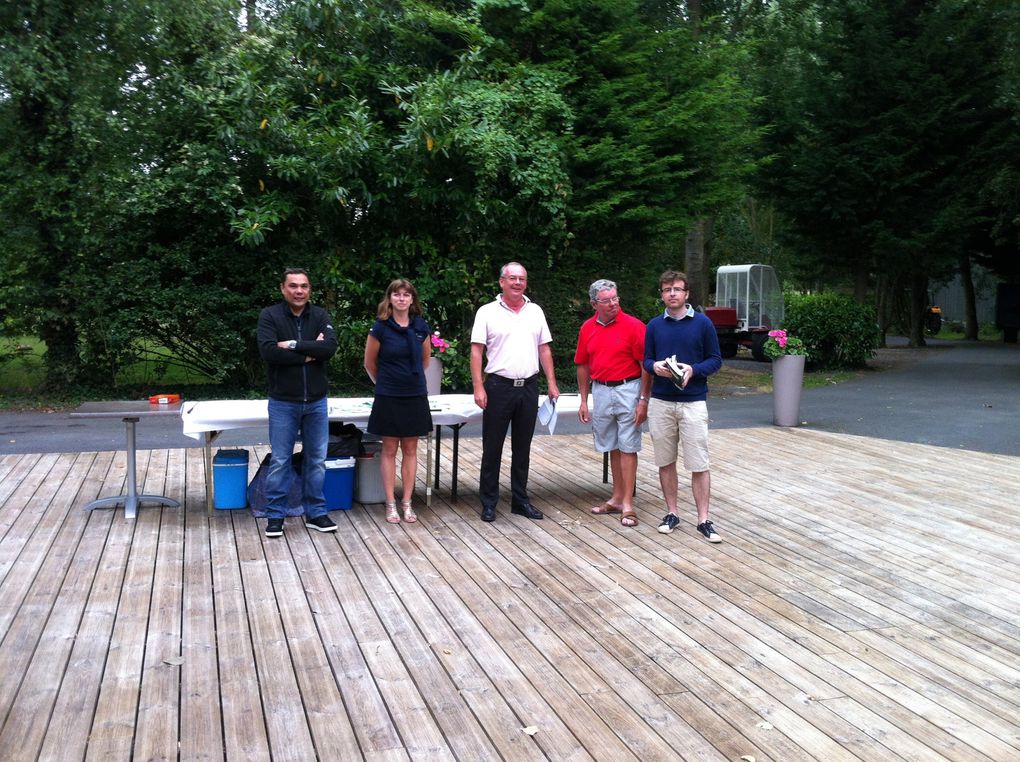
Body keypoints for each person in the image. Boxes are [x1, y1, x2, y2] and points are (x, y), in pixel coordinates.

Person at [471, 262, 560, 522]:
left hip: (529, 387)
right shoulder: (487, 312)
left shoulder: (535, 311)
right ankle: (489, 502)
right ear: (501, 282)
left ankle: (520, 501)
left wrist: (552, 383)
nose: (517, 283)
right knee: (492, 448)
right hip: (498, 387)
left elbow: (544, 348)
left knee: (523, 448)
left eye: (521, 278)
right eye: (512, 278)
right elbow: (477, 350)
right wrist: (478, 386)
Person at [257, 267, 339, 538]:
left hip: (316, 401)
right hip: (283, 402)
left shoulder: (320, 315)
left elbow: (328, 348)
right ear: (283, 288)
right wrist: (308, 350)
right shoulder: (270, 315)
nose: (299, 291)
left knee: (316, 460)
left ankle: (316, 512)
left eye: (304, 286)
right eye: (293, 286)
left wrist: (291, 345)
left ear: (309, 289)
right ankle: (275, 515)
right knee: (281, 459)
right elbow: (269, 352)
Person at [642, 270, 723, 542]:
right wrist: (655, 367)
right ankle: (672, 513)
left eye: (677, 289)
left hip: (693, 403)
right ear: (662, 294)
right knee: (665, 462)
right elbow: (646, 360)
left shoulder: (702, 324)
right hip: (661, 402)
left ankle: (704, 519)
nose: (672, 294)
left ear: (687, 293)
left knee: (699, 463)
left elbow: (715, 360)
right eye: (667, 290)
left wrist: (693, 369)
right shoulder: (654, 325)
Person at [574, 279, 647, 527]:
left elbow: (645, 366)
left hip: (629, 387)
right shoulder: (587, 328)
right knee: (613, 445)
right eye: (607, 300)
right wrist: (583, 400)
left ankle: (628, 503)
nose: (613, 303)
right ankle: (616, 497)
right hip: (601, 389)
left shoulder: (634, 326)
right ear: (594, 304)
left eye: (615, 298)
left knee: (628, 445)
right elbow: (582, 363)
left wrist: (643, 400)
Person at [363, 278, 434, 524]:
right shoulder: (380, 328)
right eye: (397, 294)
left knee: (411, 450)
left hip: (414, 395)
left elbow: (425, 361)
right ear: (390, 298)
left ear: (412, 300)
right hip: (388, 395)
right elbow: (369, 364)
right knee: (390, 450)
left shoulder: (420, 327)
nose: (401, 298)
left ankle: (407, 503)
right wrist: (386, 384)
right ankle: (390, 503)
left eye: (406, 294)